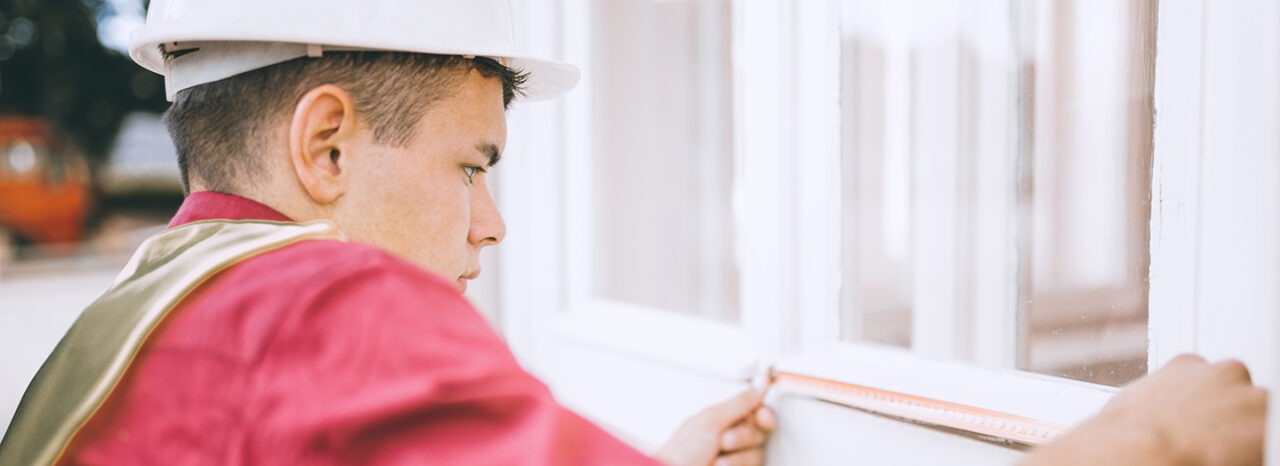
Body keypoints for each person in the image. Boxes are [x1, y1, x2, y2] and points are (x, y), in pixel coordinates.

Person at [0, 1, 1265, 465]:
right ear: (324, 146)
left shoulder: (159, 304)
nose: (489, 221)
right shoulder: (319, 312)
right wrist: (1136, 440)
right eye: (470, 165)